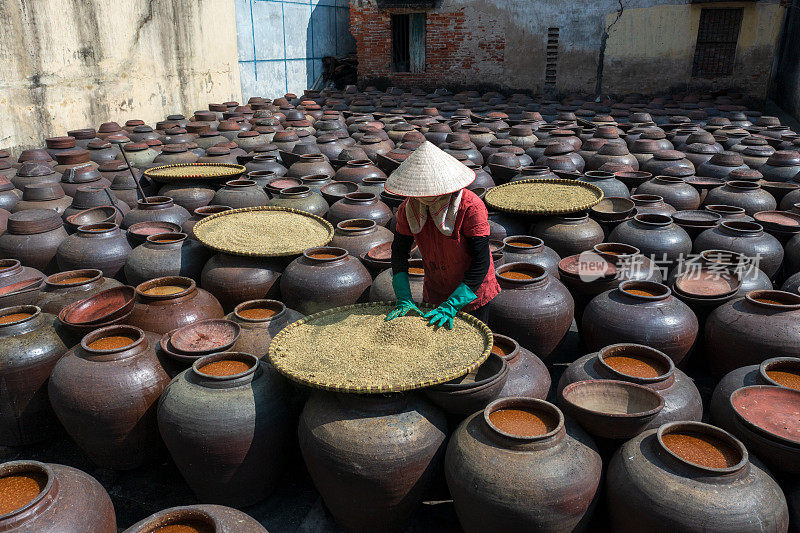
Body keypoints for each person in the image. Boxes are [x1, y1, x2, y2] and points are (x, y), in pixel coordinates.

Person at [384, 141, 500, 328]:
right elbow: (399, 251)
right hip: (436, 289)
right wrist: (404, 297)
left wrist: (452, 305)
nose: (424, 196)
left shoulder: (469, 206)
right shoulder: (409, 208)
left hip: (472, 292)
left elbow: (481, 261)